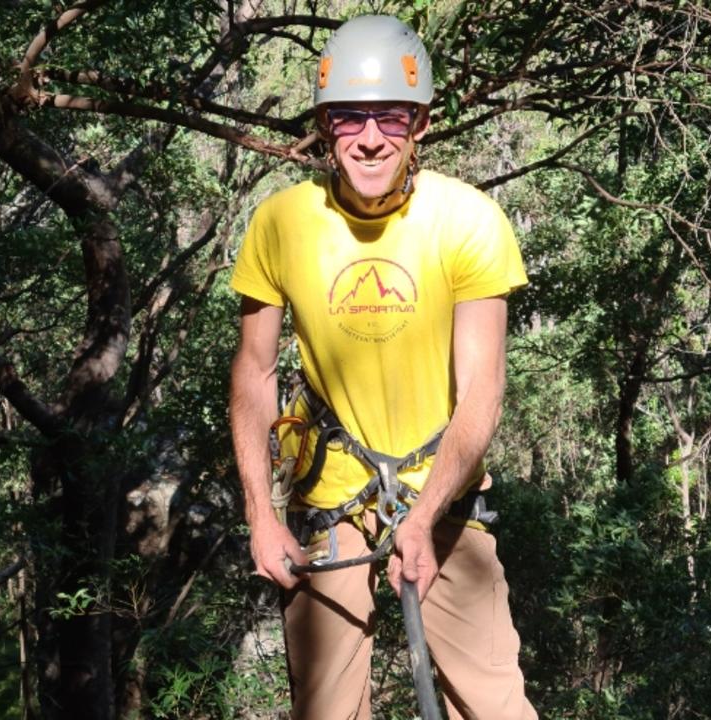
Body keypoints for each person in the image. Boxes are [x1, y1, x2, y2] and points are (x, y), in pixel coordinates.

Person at [228, 14, 537, 720]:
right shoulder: (280, 224)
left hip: (445, 497)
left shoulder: (468, 221)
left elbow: (481, 393)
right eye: (348, 119)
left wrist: (424, 518)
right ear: (324, 126)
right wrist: (260, 517)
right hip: (330, 499)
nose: (369, 138)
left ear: (420, 124)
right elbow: (252, 376)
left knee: (494, 705)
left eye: (389, 118)